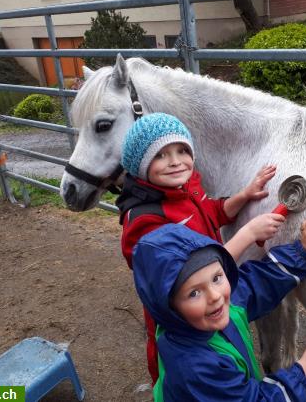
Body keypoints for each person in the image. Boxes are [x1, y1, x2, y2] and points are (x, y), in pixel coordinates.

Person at [116, 112, 285, 382]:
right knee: (192, 377)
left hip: (206, 303)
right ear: (140, 164)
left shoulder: (187, 186)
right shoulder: (146, 221)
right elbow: (191, 274)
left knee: (224, 362)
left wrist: (245, 194)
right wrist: (248, 233)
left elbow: (212, 213)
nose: (175, 162)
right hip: (183, 320)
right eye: (160, 155)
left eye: (182, 150)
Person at [133, 214, 306, 401]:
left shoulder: (219, 307)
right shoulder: (196, 367)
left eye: (216, 278)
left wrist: (300, 253)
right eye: (194, 293)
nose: (215, 296)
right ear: (169, 306)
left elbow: (258, 282)